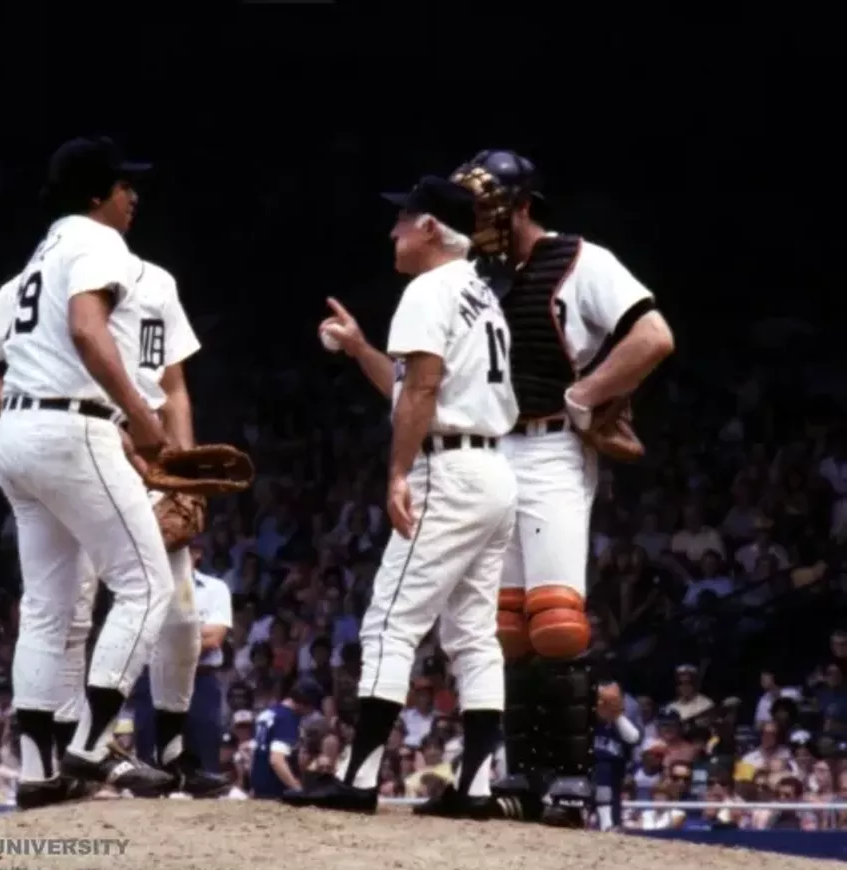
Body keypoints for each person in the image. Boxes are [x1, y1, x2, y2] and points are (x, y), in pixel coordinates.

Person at [450, 150, 676, 825]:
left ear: (523, 205)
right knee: (507, 629)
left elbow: (654, 335)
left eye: (490, 204)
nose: (479, 217)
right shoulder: (472, 273)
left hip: (552, 446)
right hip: (493, 448)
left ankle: (573, 779)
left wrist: (586, 393)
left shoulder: (579, 259)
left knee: (556, 621)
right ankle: (521, 773)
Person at [281, 175, 518, 815]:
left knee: (390, 621)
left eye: (403, 219)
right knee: (472, 633)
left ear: (431, 228)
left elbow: (420, 394)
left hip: (449, 471)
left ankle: (358, 782)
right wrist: (360, 348)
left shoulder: (428, 288)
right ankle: (475, 790)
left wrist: (398, 474)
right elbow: (410, 384)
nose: (394, 230)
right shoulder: (480, 292)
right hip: (495, 471)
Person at [0, 135, 176, 808]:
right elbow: (87, 327)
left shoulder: (39, 257)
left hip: (16, 433)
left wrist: (23, 411)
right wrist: (139, 414)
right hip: (72, 428)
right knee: (147, 583)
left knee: (46, 611)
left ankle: (35, 770)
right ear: (95, 195)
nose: (132, 196)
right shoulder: (97, 242)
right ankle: (90, 741)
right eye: (123, 185)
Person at [53, 259, 231, 798]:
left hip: (152, 458)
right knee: (75, 611)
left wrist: (184, 472)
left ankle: (172, 751)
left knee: (178, 615)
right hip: (94, 448)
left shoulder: (158, 283)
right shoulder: (69, 279)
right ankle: (76, 749)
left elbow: (173, 387)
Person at [129, 534, 233, 789]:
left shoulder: (214, 588)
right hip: (153, 678)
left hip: (200, 679)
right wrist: (187, 638)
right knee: (149, 756)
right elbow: (140, 635)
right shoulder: (147, 588)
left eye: (182, 550)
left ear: (197, 553)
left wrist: (166, 642)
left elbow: (214, 638)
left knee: (204, 754)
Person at [251, 678, 325, 800]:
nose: (312, 712)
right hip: (275, 790)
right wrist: (297, 789)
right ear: (305, 702)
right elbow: (277, 759)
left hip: (259, 787)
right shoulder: (287, 719)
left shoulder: (268, 713)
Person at [594, 680, 641, 831]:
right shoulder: (587, 719)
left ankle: (608, 824)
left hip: (614, 774)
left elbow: (634, 738)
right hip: (587, 774)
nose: (606, 703)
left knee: (606, 768)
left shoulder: (621, 720)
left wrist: (616, 715)